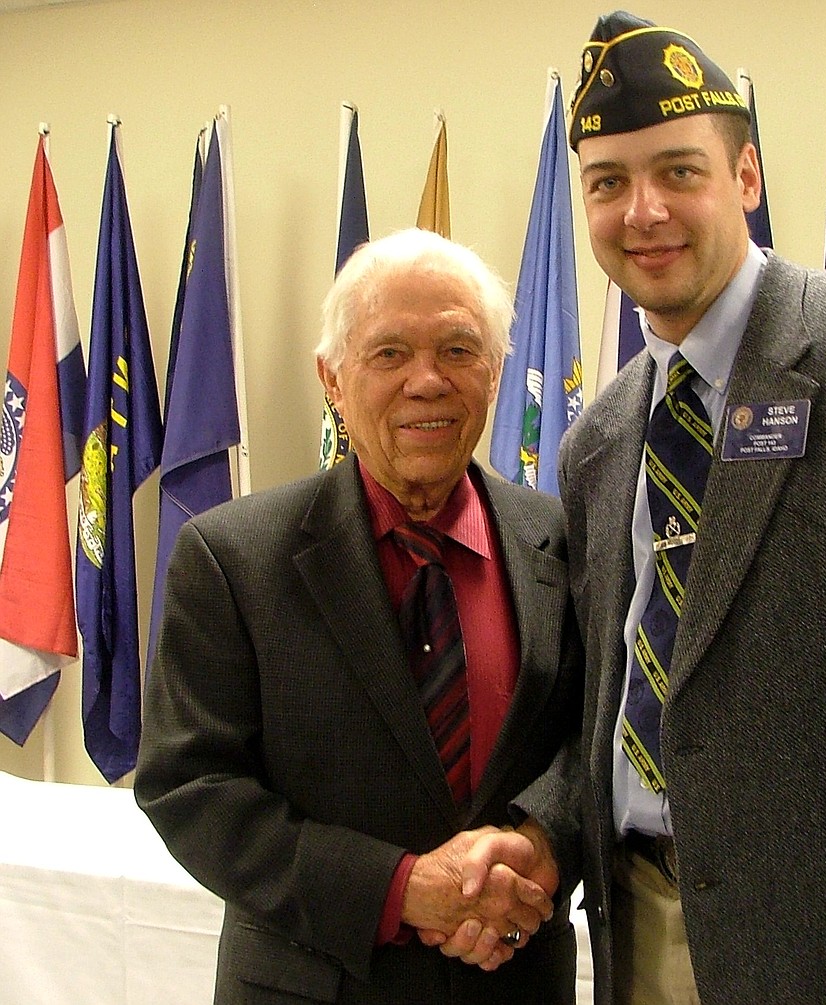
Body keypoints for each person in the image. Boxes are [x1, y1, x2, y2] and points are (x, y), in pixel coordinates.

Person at [491, 11, 826, 1005]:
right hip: (643, 938)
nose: (643, 210)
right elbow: (610, 714)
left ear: (745, 177)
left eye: (679, 171)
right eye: (607, 183)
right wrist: (541, 833)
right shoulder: (599, 440)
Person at [135, 227, 584, 1005]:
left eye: (457, 349)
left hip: (516, 981)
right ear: (332, 380)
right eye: (388, 354)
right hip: (313, 985)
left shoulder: (562, 541)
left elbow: (597, 740)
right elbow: (190, 785)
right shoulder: (232, 557)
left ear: (497, 369)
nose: (427, 381)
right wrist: (402, 888)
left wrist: (540, 842)